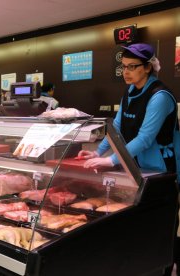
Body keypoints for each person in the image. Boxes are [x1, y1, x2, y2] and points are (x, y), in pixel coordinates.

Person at [77, 43, 180, 275]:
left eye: (132, 67)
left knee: (162, 225)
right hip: (138, 168)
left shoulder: (160, 96)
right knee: (140, 224)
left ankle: (164, 268)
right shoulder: (130, 92)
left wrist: (111, 160)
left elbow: (145, 138)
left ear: (148, 67)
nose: (125, 72)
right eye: (123, 66)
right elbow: (117, 128)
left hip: (164, 170)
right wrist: (98, 152)